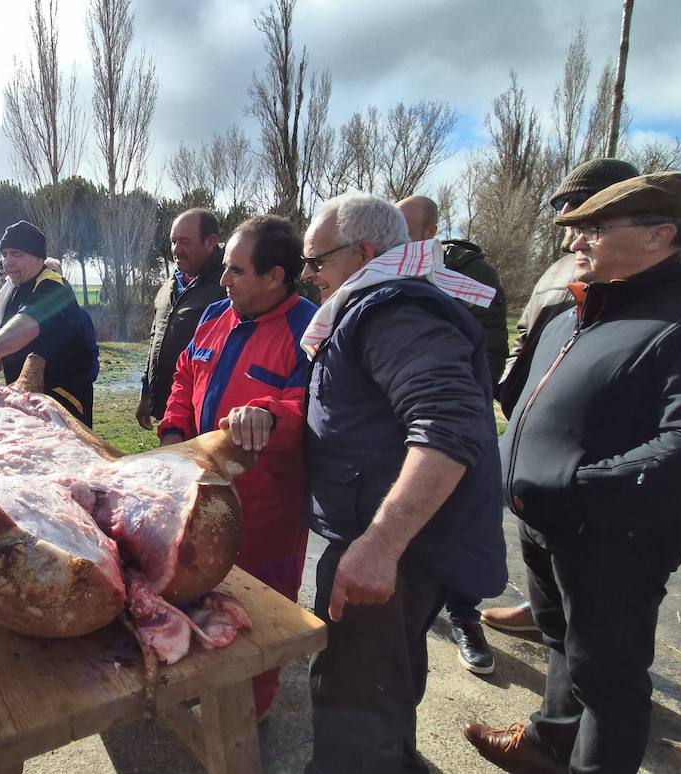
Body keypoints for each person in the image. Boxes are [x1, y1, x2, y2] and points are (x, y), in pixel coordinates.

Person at [465, 173, 681, 774]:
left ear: (660, 236)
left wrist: (576, 488)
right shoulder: (580, 309)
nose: (574, 245)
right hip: (545, 524)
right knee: (562, 644)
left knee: (609, 681)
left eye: (592, 230)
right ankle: (547, 745)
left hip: (616, 535)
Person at [299, 193, 506, 772]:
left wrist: (380, 544)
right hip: (386, 544)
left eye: (316, 262)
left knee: (354, 706)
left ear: (364, 251)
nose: (310, 276)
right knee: (383, 683)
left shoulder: (392, 309)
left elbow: (449, 425)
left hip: (391, 550)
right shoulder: (371, 305)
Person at [158, 214, 315, 721]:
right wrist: (175, 434)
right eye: (224, 268)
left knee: (261, 615)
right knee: (202, 591)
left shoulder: (312, 331)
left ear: (275, 276)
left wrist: (271, 416)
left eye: (236, 271)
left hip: (267, 509)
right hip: (199, 489)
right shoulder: (215, 316)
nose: (223, 281)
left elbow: (313, 409)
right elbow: (185, 375)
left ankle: (252, 708)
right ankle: (207, 682)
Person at [483, 157, 641, 636]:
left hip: (591, 457)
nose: (567, 217)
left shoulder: (639, 272)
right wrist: (513, 385)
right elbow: (527, 331)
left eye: (579, 206)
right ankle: (540, 612)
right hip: (534, 423)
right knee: (541, 554)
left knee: (599, 619)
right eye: (563, 207)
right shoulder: (563, 266)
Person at [396, 195, 509, 676]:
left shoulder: (470, 276)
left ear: (431, 231)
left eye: (407, 231)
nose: (397, 241)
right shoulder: (392, 270)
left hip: (453, 420)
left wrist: (455, 406)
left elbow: (490, 351)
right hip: (402, 419)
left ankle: (465, 615)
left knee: (458, 519)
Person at [0, 221, 95, 424]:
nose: (7, 262)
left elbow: (25, 326)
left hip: (61, 396)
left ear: (38, 256)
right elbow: (10, 340)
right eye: (4, 255)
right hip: (25, 397)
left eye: (16, 254)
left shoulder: (53, 286)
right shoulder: (16, 291)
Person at [138, 208, 227, 431]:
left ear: (210, 242)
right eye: (173, 241)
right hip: (169, 405)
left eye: (185, 242)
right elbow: (155, 340)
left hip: (204, 413)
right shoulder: (169, 286)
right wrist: (146, 393)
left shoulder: (227, 287)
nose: (176, 250)